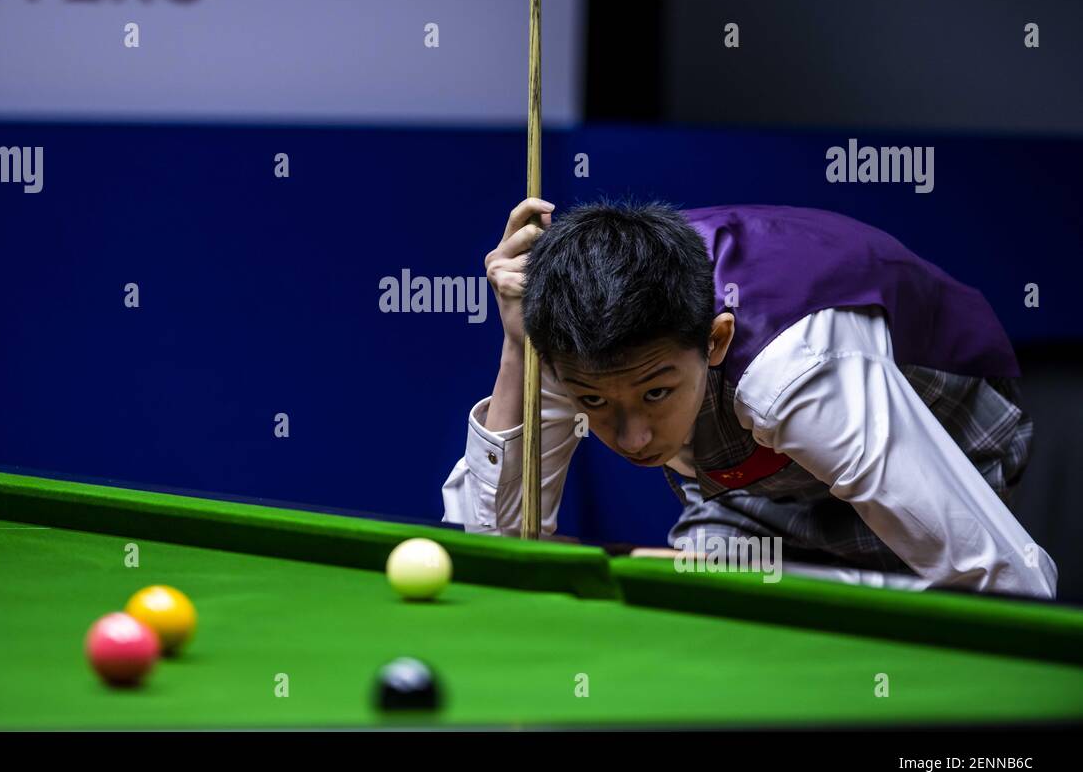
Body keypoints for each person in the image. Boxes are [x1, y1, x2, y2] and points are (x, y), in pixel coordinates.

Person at [442, 199, 1057, 598]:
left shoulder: (797, 369)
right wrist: (518, 346)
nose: (631, 439)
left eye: (656, 392)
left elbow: (1009, 580)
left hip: (948, 436)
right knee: (696, 613)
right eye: (594, 405)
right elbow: (496, 548)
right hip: (752, 494)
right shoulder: (580, 336)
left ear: (716, 341)